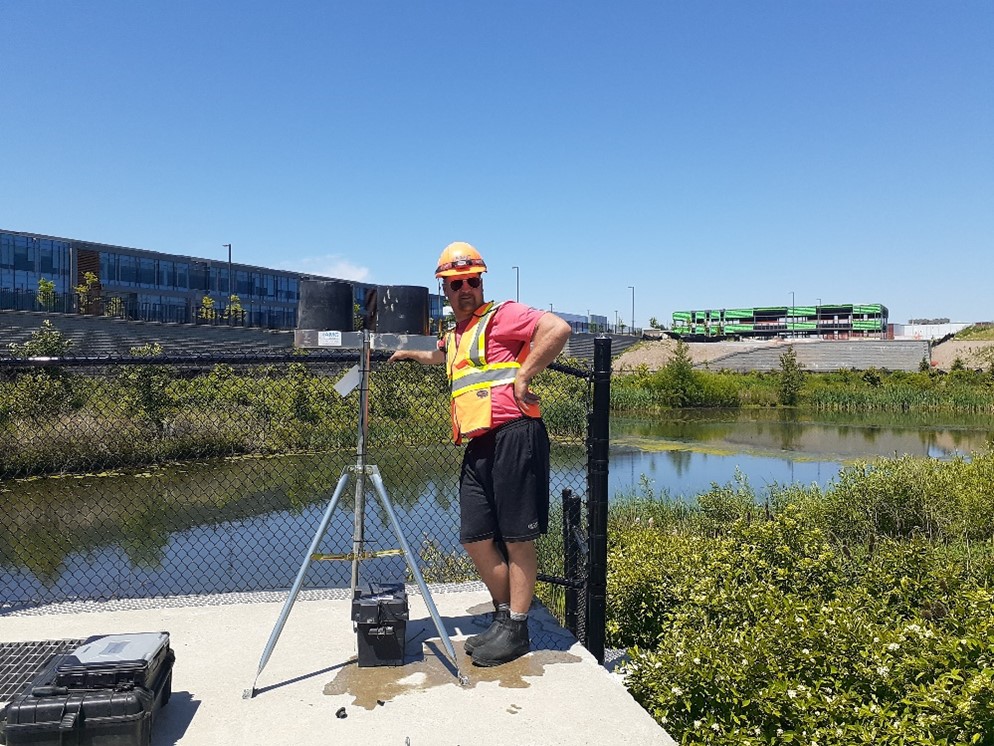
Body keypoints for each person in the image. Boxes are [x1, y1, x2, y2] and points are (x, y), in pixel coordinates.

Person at [389, 241, 571, 667]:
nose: (465, 289)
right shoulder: (456, 335)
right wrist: (417, 354)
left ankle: (517, 628)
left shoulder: (502, 315)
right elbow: (448, 357)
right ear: (445, 290)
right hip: (479, 443)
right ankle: (505, 616)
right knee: (475, 537)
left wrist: (525, 374)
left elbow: (558, 329)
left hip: (515, 434)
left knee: (517, 538)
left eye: (471, 281)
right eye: (456, 284)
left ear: (481, 282)